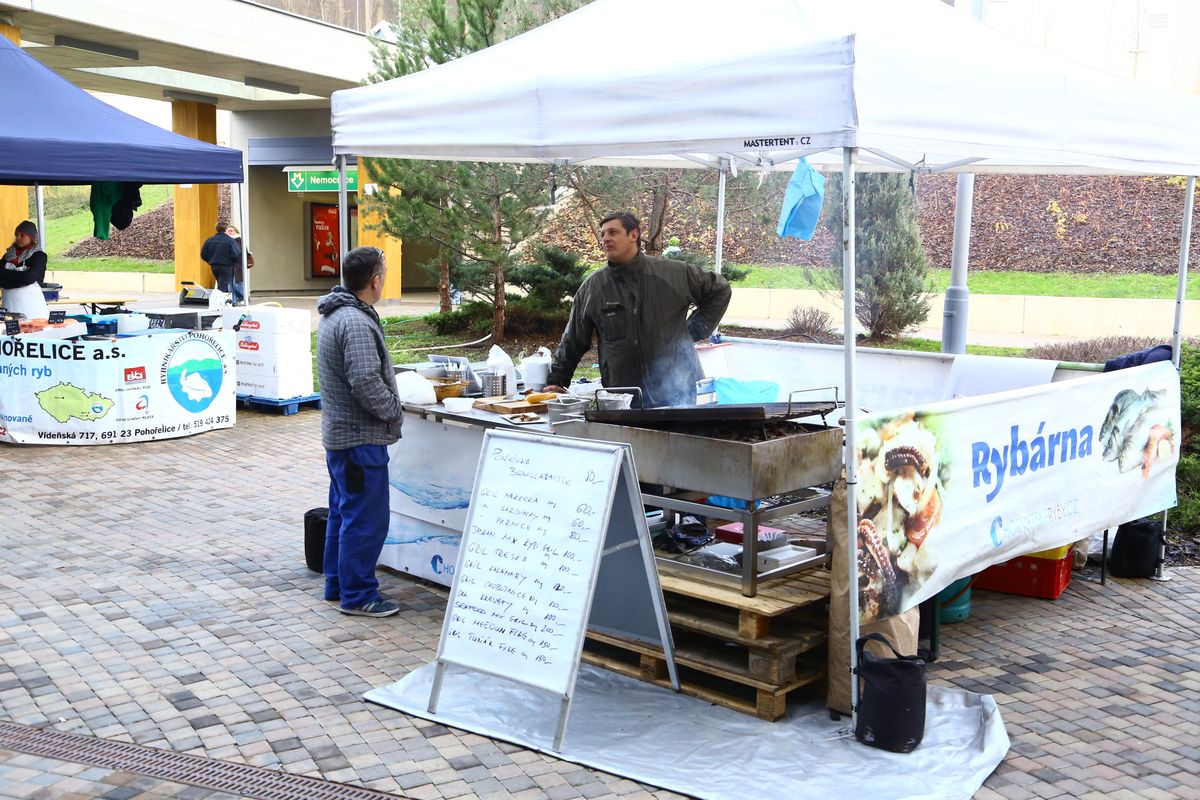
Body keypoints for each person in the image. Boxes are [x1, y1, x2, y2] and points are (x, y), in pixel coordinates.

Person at [544, 212, 731, 407]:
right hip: (623, 397)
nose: (605, 239)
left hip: (679, 391)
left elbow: (719, 288)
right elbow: (573, 340)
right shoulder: (593, 288)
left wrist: (696, 328)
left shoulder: (673, 274)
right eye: (603, 234)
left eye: (613, 232)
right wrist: (557, 381)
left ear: (633, 235)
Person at [317, 246, 404, 617]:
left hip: (343, 437)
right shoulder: (354, 321)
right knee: (365, 520)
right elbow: (366, 380)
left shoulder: (337, 314)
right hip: (359, 438)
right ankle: (358, 595)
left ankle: (338, 585)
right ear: (375, 279)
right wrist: (393, 412)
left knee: (344, 514)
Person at [1, 220, 49, 319]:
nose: (18, 238)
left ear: (32, 238)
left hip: (32, 310)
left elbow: (29, 278)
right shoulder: (7, 256)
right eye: (16, 235)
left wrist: (6, 276)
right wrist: (21, 278)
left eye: (22, 235)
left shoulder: (39, 256)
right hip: (9, 307)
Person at [199, 221, 241, 297]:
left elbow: (203, 254)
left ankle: (221, 301)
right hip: (227, 266)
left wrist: (211, 260)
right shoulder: (230, 241)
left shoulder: (209, 240)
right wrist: (233, 262)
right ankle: (222, 303)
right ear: (226, 229)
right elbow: (237, 254)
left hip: (214, 266)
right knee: (224, 286)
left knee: (220, 283)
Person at [225, 225, 253, 305]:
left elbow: (242, 253)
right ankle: (233, 301)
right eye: (228, 230)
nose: (229, 232)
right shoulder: (227, 241)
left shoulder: (239, 240)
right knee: (230, 286)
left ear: (236, 232)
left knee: (237, 284)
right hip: (230, 266)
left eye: (231, 231)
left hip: (238, 266)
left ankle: (244, 298)